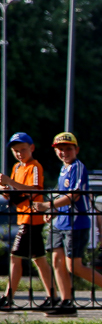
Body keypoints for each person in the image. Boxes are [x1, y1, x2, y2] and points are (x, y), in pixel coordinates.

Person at [32, 133, 102, 317]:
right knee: (57, 262)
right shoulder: (63, 170)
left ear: (76, 150)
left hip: (76, 222)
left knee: (75, 266)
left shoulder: (78, 167)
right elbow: (61, 195)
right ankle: (66, 303)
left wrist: (47, 206)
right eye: (60, 149)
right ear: (55, 151)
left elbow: (75, 195)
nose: (64, 152)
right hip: (60, 222)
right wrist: (53, 211)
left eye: (68, 149)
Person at [0, 133, 56, 310]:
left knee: (15, 257)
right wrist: (5, 190)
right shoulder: (17, 168)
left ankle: (8, 297)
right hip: (24, 216)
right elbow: (17, 194)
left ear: (31, 148)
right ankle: (52, 296)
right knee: (39, 259)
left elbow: (34, 190)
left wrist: (10, 183)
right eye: (16, 151)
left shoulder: (35, 167)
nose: (19, 153)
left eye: (23, 149)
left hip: (32, 218)